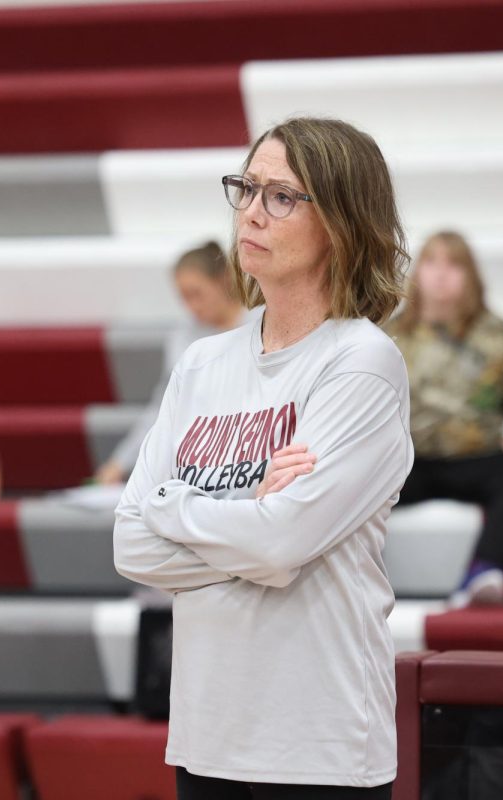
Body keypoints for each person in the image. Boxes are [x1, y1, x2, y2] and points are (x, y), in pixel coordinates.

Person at [114, 117, 412, 798]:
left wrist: (181, 508)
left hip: (317, 744)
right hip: (207, 732)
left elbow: (281, 546)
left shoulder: (360, 364)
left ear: (339, 220)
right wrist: (248, 513)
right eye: (246, 188)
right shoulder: (203, 362)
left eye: (281, 196)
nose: (251, 211)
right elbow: (130, 545)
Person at [386, 231, 503, 608]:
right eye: (432, 262)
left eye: (454, 264)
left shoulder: (500, 337)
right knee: (351, 473)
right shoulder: (389, 336)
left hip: (477, 456)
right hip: (408, 461)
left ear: (471, 276)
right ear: (418, 273)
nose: (441, 274)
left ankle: (482, 571)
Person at [95, 242, 251, 485]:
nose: (192, 306)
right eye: (184, 297)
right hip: (203, 452)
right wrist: (120, 462)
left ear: (224, 280)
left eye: (197, 294)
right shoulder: (183, 337)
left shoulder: (263, 321)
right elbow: (164, 406)